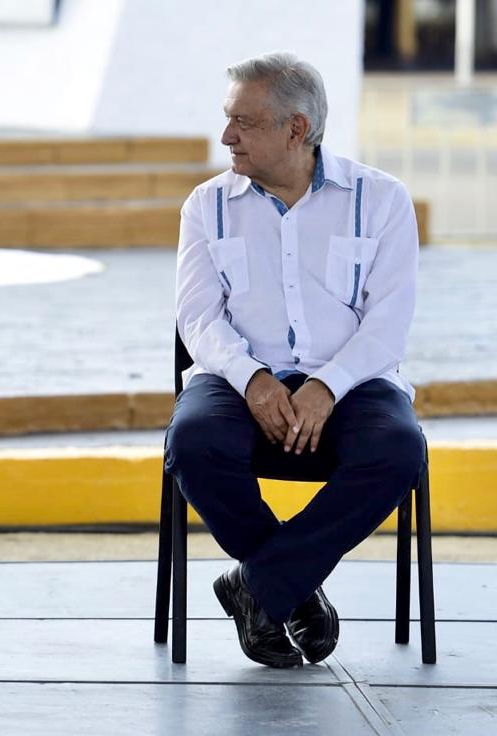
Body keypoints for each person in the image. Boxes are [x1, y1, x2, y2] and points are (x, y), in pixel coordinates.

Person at [164, 51, 425, 668]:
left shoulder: (382, 200)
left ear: (296, 129)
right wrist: (254, 380)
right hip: (235, 380)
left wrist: (327, 386)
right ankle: (292, 589)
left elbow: (388, 325)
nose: (226, 136)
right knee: (194, 442)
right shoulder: (207, 204)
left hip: (355, 383)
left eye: (244, 122)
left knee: (397, 450)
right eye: (227, 118)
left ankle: (256, 586)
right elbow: (198, 318)